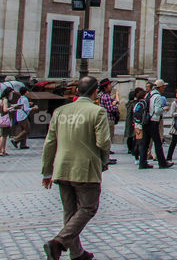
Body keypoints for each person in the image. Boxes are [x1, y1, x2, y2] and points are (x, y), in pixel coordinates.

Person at [41, 75, 111, 260]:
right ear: (95, 92)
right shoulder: (97, 112)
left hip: (62, 168)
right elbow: (103, 142)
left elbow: (50, 143)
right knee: (89, 207)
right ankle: (58, 242)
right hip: (85, 169)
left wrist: (47, 171)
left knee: (70, 212)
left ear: (77, 90)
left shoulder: (60, 112)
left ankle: (77, 252)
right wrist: (103, 161)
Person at [138, 79, 172, 169]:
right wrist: (164, 109)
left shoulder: (148, 95)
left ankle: (142, 162)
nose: (164, 88)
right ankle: (162, 163)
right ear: (160, 87)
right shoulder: (157, 97)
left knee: (145, 143)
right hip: (153, 122)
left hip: (145, 121)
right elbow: (157, 111)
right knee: (157, 143)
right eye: (163, 87)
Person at [97, 79, 120, 165]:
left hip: (108, 119)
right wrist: (115, 105)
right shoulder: (106, 96)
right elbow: (110, 109)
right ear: (105, 87)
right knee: (108, 138)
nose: (111, 86)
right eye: (109, 85)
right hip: (108, 119)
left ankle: (107, 157)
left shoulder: (104, 96)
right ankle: (106, 158)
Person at [125, 88, 144, 158]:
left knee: (131, 135)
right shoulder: (135, 104)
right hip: (134, 121)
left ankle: (132, 149)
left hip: (131, 121)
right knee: (135, 136)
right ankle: (134, 150)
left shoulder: (130, 104)